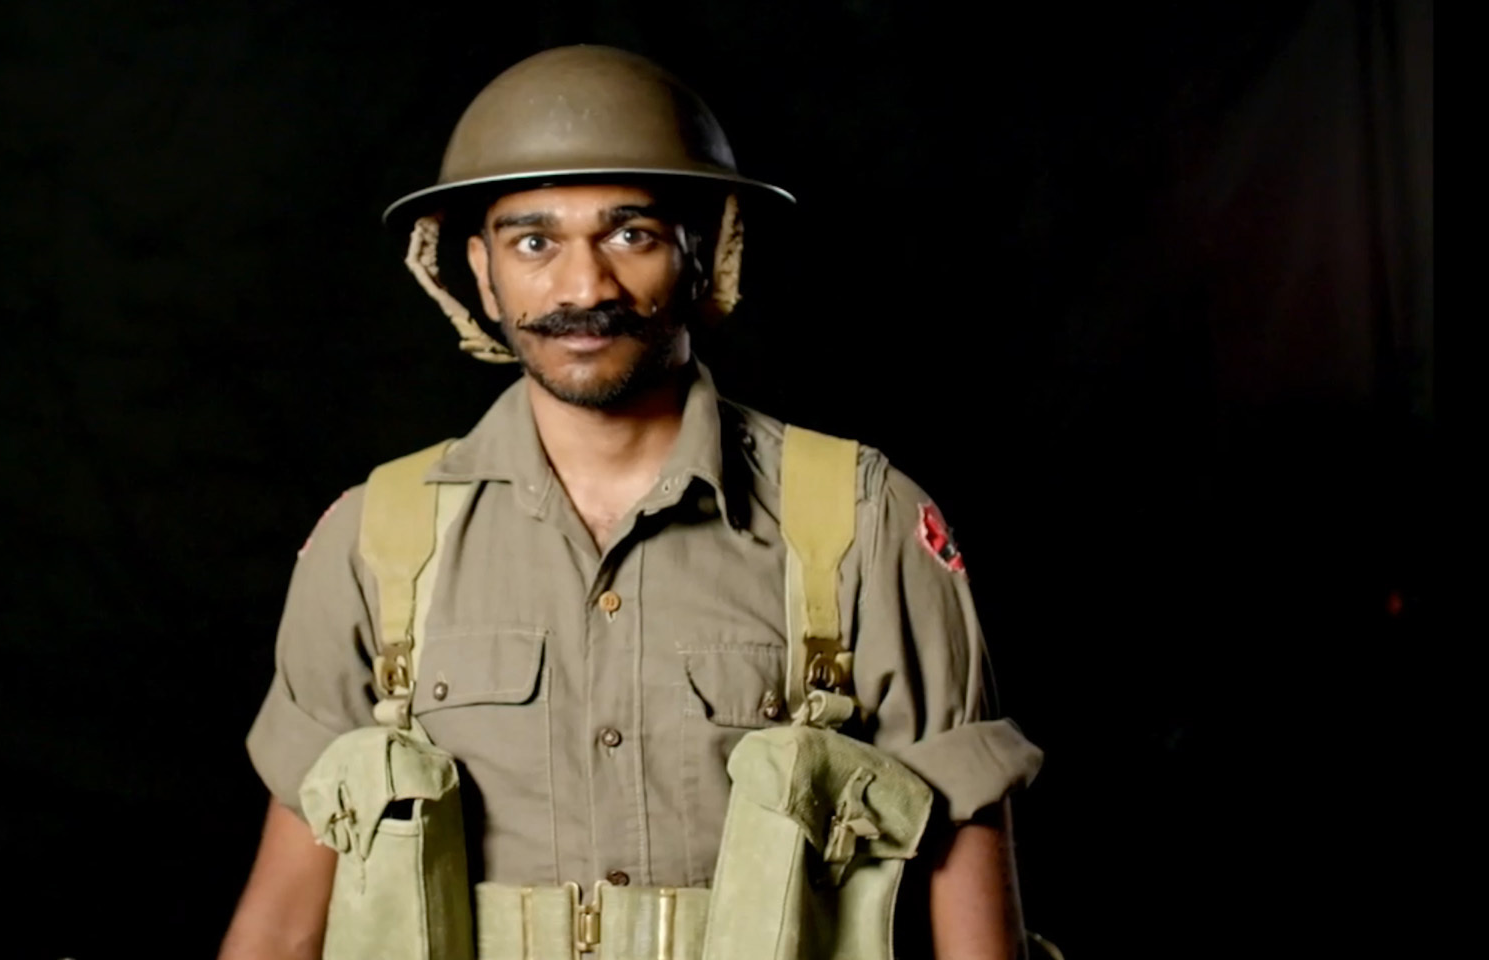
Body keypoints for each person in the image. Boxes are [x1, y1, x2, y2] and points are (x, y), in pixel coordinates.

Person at [216, 45, 1043, 960]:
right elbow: (285, 914)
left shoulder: (858, 522)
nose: (584, 288)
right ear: (481, 272)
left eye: (631, 234)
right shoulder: (373, 540)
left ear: (702, 252)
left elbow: (969, 866)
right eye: (535, 242)